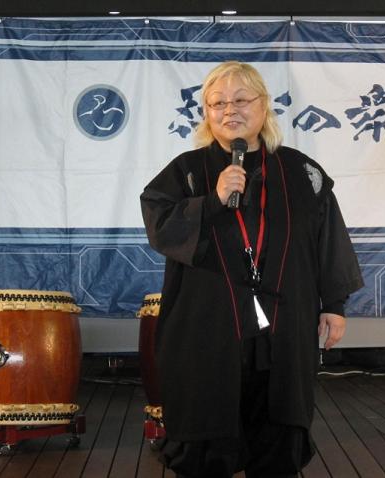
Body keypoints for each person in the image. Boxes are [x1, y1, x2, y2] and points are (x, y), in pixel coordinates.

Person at [140, 61, 363, 478]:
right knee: (207, 438)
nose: (230, 110)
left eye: (241, 99)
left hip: (284, 324)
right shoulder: (187, 172)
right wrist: (212, 201)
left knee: (278, 434)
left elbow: (328, 238)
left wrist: (334, 305)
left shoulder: (302, 172)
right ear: (206, 113)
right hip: (207, 328)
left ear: (264, 106)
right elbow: (160, 226)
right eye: (218, 103)